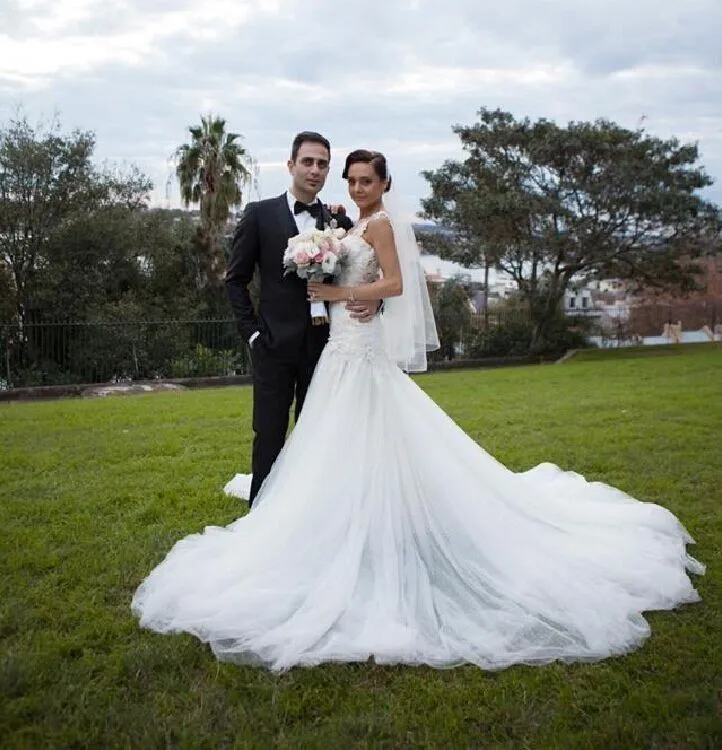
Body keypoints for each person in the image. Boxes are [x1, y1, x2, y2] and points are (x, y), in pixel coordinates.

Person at [132, 149, 703, 673]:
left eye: (365, 179)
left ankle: (376, 530)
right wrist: (324, 281)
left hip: (358, 351)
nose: (355, 187)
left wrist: (335, 296)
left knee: (363, 434)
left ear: (384, 184)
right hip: (336, 351)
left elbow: (397, 282)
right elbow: (323, 275)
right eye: (349, 179)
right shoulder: (344, 222)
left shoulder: (378, 223)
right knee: (329, 442)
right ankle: (338, 524)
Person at [225, 131, 377, 504]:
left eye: (322, 164)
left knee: (318, 437)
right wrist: (253, 335)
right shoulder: (260, 215)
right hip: (273, 346)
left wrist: (376, 304)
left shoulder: (337, 224)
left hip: (324, 348)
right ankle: (261, 515)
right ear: (291, 165)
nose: (315, 170)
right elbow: (235, 280)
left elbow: (367, 275)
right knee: (270, 434)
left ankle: (309, 513)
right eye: (307, 162)